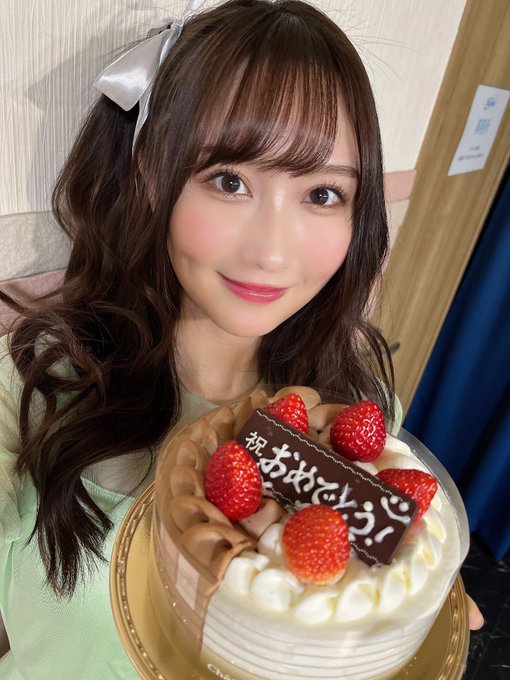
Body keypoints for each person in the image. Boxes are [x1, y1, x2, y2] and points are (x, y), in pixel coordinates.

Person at [0, 0, 482, 677]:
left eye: (322, 194)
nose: (273, 254)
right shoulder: (30, 387)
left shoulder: (356, 406)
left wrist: (393, 625)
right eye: (229, 182)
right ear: (151, 178)